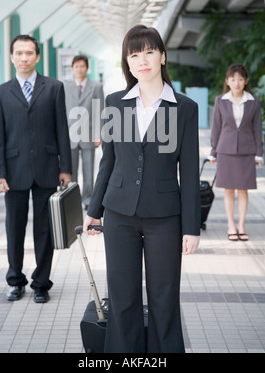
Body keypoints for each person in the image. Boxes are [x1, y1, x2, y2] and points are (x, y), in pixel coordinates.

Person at [83, 25, 201, 353]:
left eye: (149, 51)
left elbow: (189, 172)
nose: (142, 60)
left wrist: (191, 228)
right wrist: (94, 211)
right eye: (134, 54)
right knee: (122, 299)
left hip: (165, 218)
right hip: (119, 215)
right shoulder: (114, 103)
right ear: (127, 62)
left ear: (162, 57)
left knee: (164, 300)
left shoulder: (185, 108)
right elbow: (108, 162)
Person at [0, 35, 72, 303]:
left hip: (48, 168)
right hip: (13, 171)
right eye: (19, 53)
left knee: (45, 229)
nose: (24, 58)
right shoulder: (1, 92)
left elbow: (62, 130)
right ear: (12, 57)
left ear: (37, 57)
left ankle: (41, 283)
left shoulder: (54, 88)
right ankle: (15, 280)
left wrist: (66, 168)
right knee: (14, 228)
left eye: (29, 53)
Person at [209, 63, 263, 241]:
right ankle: (231, 225)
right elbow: (216, 128)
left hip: (247, 151)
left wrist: (259, 153)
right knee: (229, 190)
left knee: (243, 189)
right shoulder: (220, 100)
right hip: (226, 150)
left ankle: (241, 226)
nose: (237, 83)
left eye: (240, 79)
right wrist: (213, 151)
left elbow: (257, 128)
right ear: (227, 81)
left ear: (246, 80)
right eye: (233, 79)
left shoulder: (253, 101)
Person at [63, 54, 104, 210]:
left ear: (87, 68)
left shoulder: (96, 87)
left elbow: (100, 111)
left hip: (89, 134)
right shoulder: (65, 86)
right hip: (70, 135)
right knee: (70, 171)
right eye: (76, 66)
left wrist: (98, 134)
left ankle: (87, 199)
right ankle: (72, 199)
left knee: (88, 171)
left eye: (82, 66)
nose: (79, 69)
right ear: (72, 69)